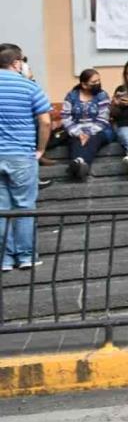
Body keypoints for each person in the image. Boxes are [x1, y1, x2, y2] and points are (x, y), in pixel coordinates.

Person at [0, 44, 52, 271]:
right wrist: (40, 150)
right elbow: (46, 121)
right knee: (24, 205)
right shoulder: (29, 87)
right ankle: (26, 256)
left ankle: (4, 259)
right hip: (22, 154)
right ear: (16, 63)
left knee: (1, 208)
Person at [60, 69, 113, 181]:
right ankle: (80, 164)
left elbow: (103, 119)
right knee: (75, 139)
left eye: (99, 81)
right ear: (84, 84)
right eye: (94, 82)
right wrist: (78, 133)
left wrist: (88, 133)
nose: (98, 84)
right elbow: (66, 117)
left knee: (93, 139)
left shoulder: (102, 96)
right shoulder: (72, 96)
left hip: (99, 130)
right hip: (76, 129)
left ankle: (78, 163)